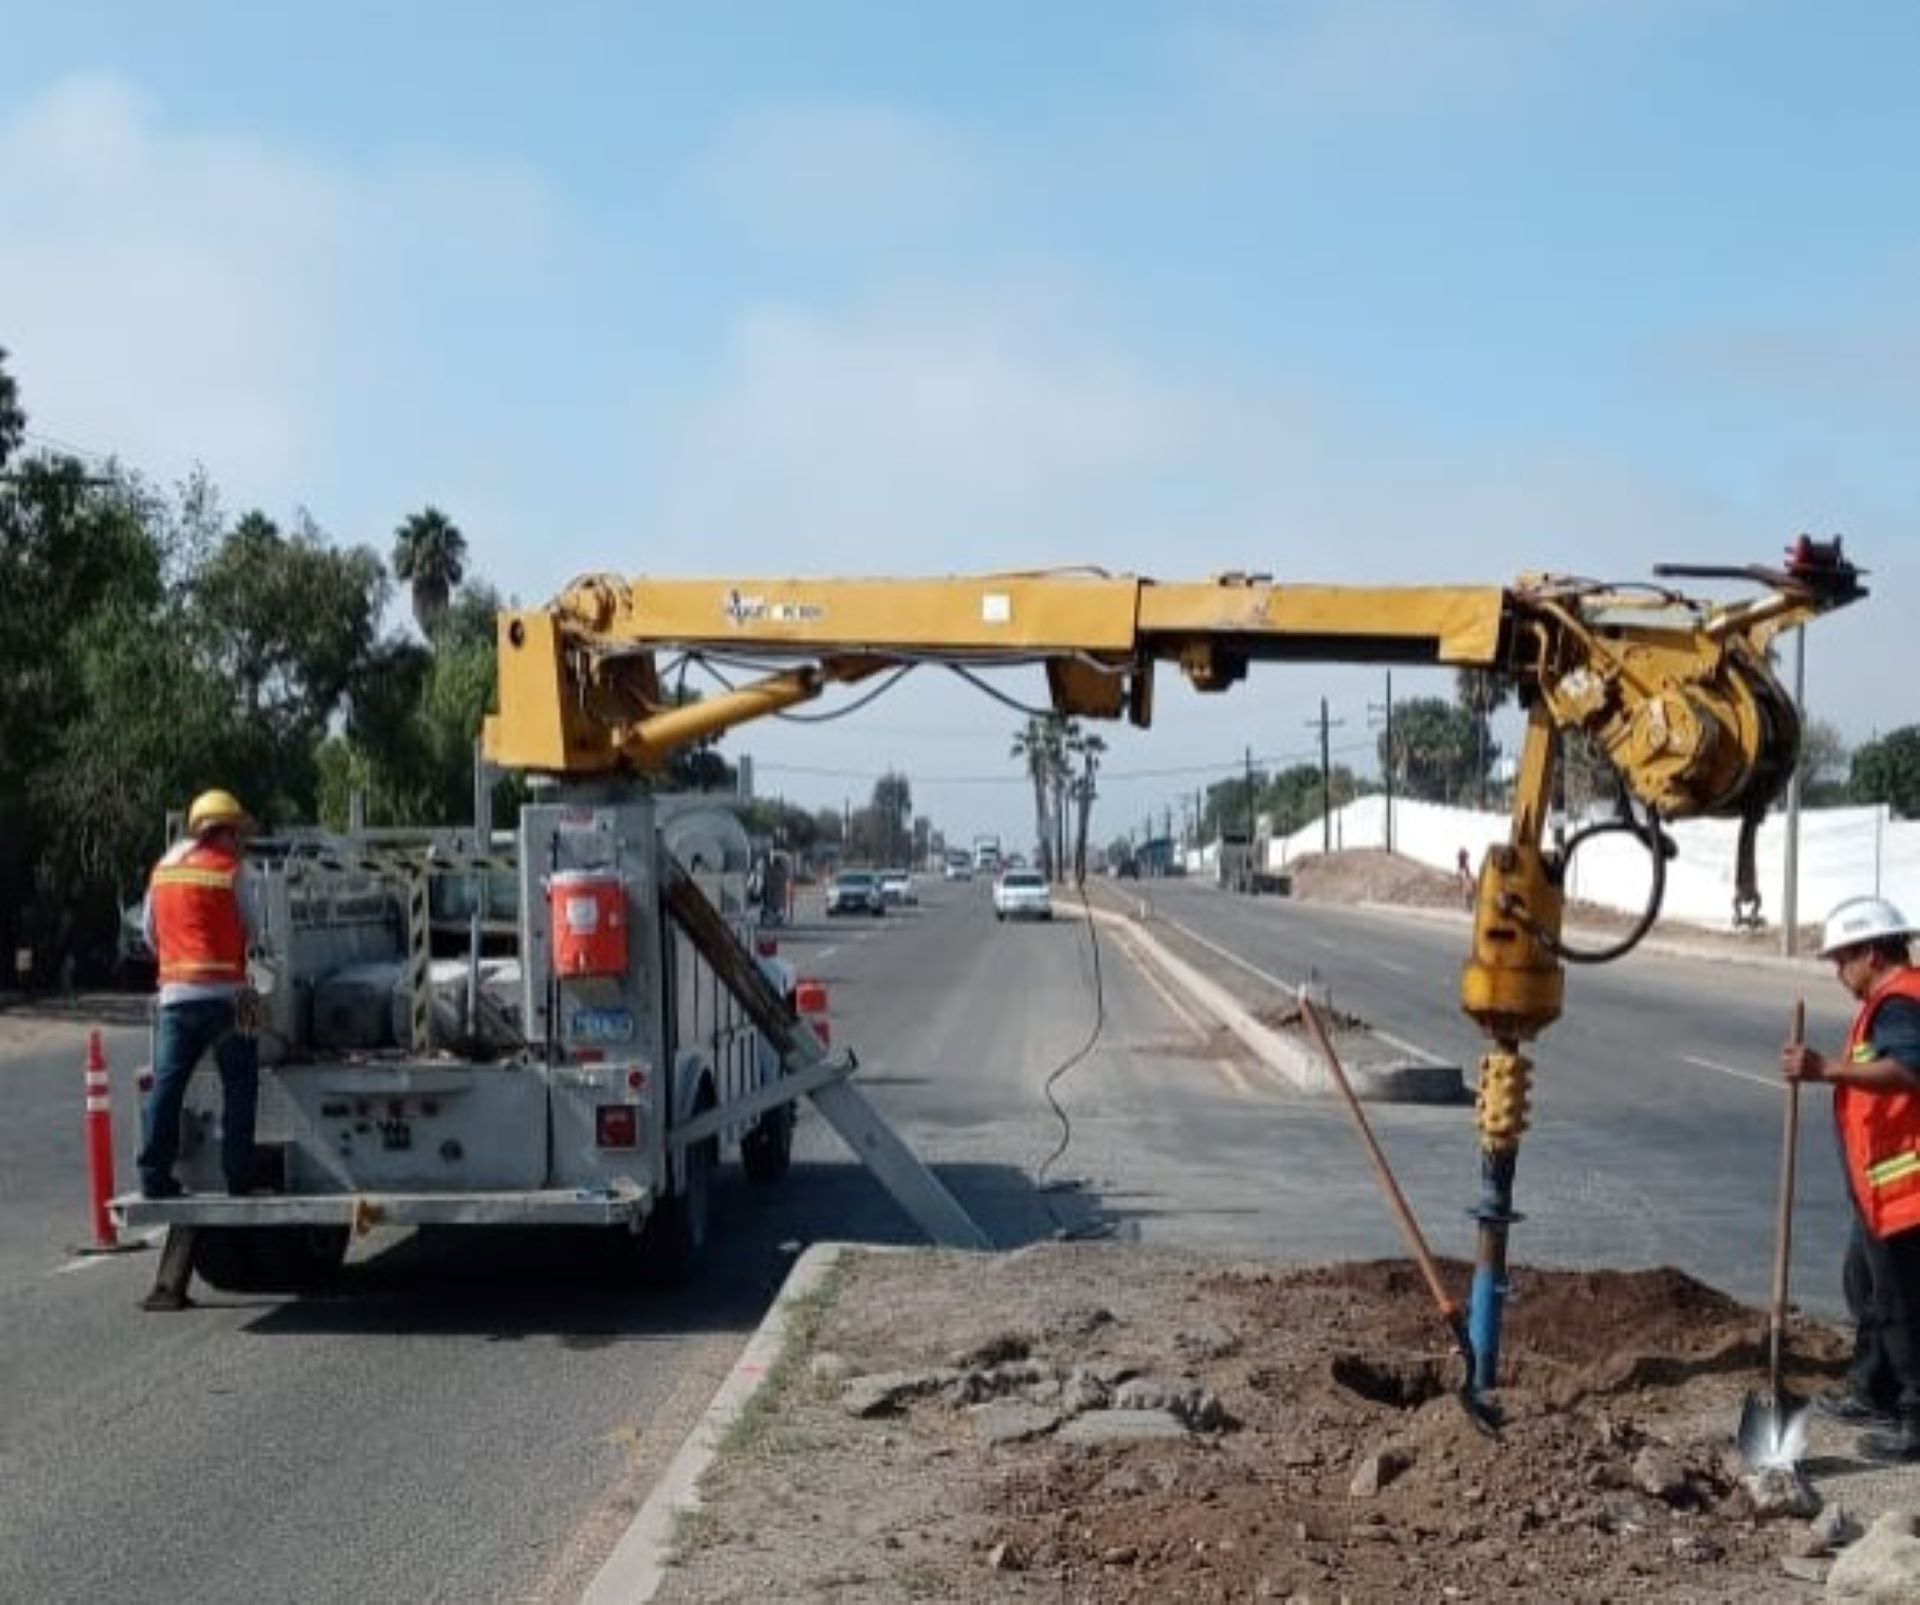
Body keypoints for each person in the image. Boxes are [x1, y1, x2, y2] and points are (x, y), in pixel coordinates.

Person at [1782, 895, 1920, 1461]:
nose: (1839, 973)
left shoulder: (1900, 1004)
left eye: (1843, 960)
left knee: (1903, 1303)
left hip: (1907, 1189)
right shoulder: (1888, 1000)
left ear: (1871, 951)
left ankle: (1915, 1420)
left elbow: (1910, 1069)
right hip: (1879, 1187)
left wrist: (1824, 1069)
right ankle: (1872, 1389)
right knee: (1864, 1285)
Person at [136, 789, 263, 1199]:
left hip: (176, 997)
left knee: (168, 1087)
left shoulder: (162, 870)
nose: (240, 843)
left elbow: (149, 933)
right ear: (222, 832)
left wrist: (178, 962)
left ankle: (154, 1178)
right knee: (241, 1084)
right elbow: (254, 927)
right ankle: (239, 1178)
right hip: (231, 997)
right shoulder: (231, 870)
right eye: (237, 834)